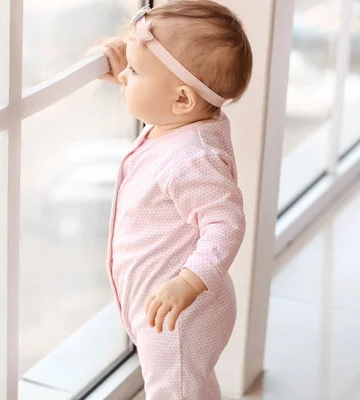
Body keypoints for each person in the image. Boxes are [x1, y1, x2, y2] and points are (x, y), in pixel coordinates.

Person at [98, 1, 253, 398]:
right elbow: (161, 102)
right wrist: (130, 74)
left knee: (175, 391)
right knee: (192, 388)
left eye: (135, 72)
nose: (126, 76)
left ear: (182, 99)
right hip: (167, 305)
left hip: (181, 314)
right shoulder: (184, 122)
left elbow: (226, 223)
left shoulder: (194, 157)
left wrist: (188, 281)